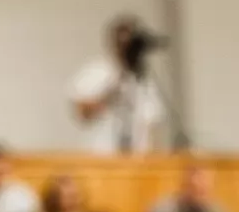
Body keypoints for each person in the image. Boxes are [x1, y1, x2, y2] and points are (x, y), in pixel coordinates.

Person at [69, 16, 166, 155]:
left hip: (138, 161)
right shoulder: (96, 71)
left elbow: (152, 123)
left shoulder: (143, 80)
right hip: (101, 157)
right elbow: (82, 113)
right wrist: (111, 91)